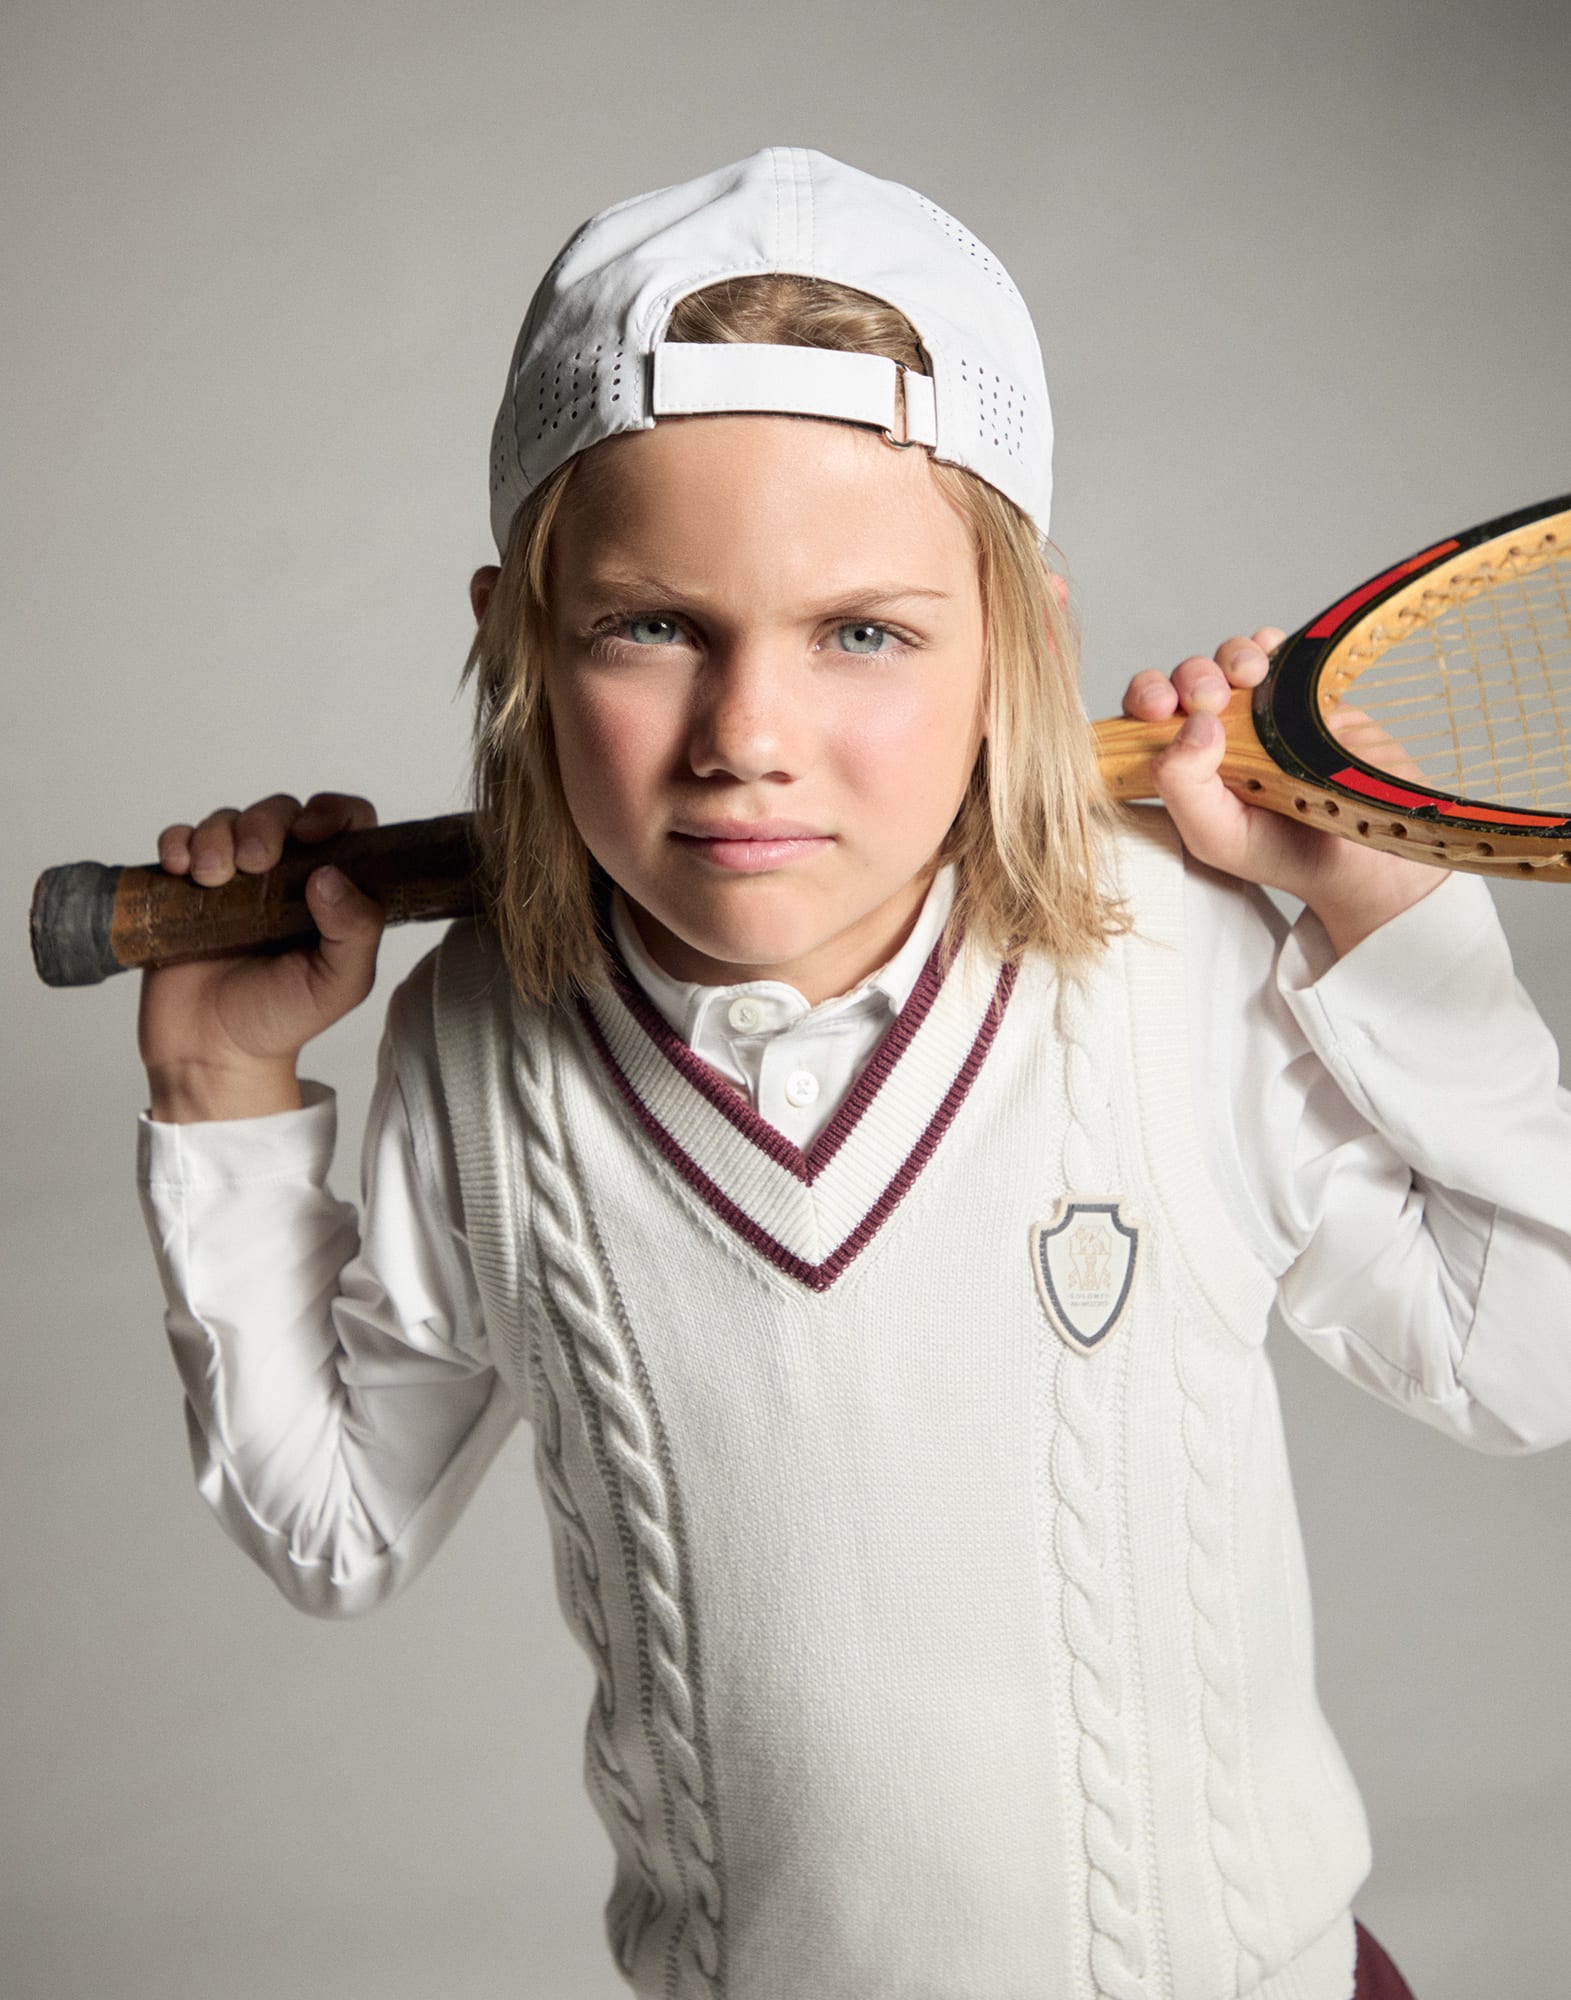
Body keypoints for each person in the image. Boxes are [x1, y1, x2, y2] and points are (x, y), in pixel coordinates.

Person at [134, 148, 1570, 2000]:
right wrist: (222, 1096)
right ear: (514, 642)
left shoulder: (1172, 970)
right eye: (654, 626)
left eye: (865, 635)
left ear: (1020, 652)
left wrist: (1386, 910)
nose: (749, 738)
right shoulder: (477, 1047)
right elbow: (328, 1531)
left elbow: (1529, 1352)